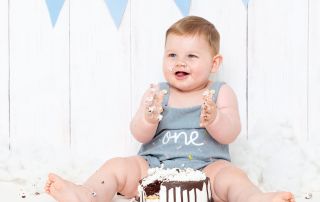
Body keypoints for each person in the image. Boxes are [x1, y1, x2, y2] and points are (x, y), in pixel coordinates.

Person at [45, 16, 295, 202]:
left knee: (232, 176)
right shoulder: (159, 93)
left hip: (206, 170)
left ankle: (254, 199)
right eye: (172, 55)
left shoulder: (220, 92)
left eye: (192, 56)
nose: (180, 62)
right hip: (153, 168)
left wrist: (216, 118)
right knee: (117, 166)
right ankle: (88, 193)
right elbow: (139, 135)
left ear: (214, 63)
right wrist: (148, 117)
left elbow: (230, 133)